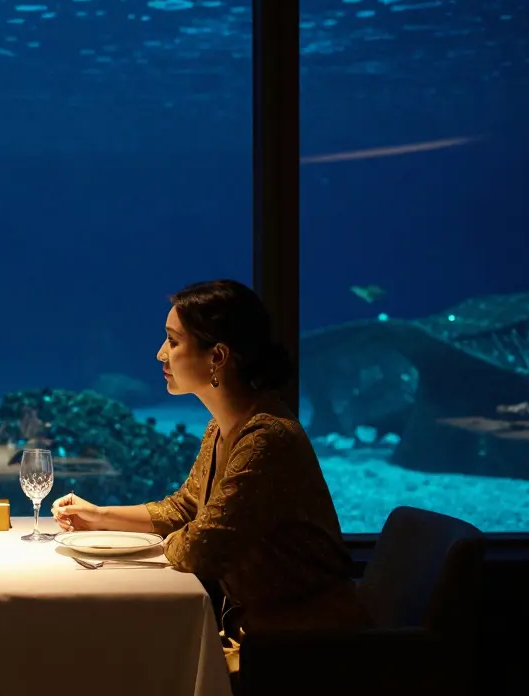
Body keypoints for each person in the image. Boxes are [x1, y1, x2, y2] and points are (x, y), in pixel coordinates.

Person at [51, 279, 370, 674]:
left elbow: (202, 548)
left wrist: (166, 539)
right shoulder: (222, 427)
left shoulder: (265, 438)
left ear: (217, 355)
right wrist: (100, 516)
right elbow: (186, 507)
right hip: (258, 634)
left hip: (304, 649)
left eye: (173, 341)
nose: (159, 354)